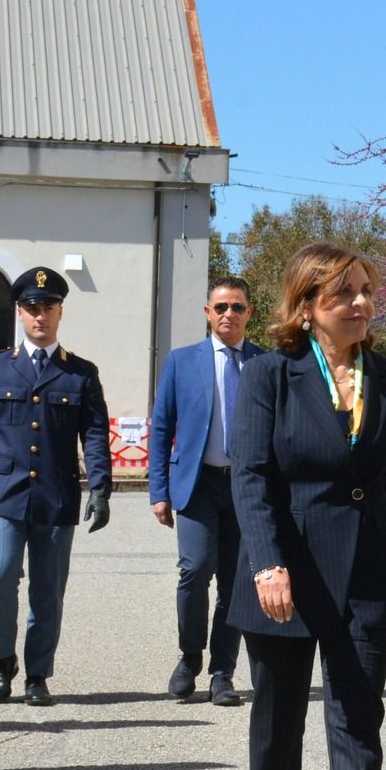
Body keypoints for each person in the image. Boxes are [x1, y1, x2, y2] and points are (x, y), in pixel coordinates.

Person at [228, 244, 386, 770]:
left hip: (365, 577)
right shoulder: (270, 375)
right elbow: (250, 476)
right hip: (288, 576)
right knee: (278, 720)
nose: (361, 303)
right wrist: (267, 562)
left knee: (358, 723)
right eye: (343, 294)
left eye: (365, 289)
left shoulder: (385, 378)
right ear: (307, 307)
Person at [0, 266, 113, 707]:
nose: (39, 316)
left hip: (56, 494)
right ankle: (2, 661)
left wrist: (100, 486)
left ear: (61, 311)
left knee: (47, 588)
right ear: (19, 313)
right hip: (4, 491)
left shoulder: (80, 373)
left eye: (47, 308)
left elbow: (95, 433)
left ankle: (37, 674)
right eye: (31, 309)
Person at [149, 275, 262, 706]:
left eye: (237, 307)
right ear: (207, 312)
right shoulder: (182, 361)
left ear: (249, 312)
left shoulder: (262, 363)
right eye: (220, 307)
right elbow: (162, 429)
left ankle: (222, 673)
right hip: (196, 487)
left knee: (236, 582)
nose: (228, 314)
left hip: (243, 489)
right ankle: (189, 657)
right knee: (194, 571)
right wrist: (159, 491)